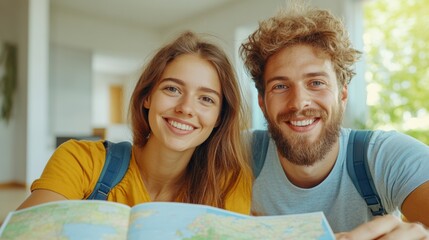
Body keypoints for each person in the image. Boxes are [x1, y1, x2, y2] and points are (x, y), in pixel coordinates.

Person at [239, 1, 429, 238]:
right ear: (261, 101)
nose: (299, 102)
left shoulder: (386, 156)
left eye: (316, 83)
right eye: (280, 86)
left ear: (343, 94)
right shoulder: (237, 153)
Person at [18, 31, 253, 214]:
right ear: (147, 96)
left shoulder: (228, 183)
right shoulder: (81, 160)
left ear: (219, 117)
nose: (186, 108)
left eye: (206, 99)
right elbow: (27, 232)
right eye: (172, 89)